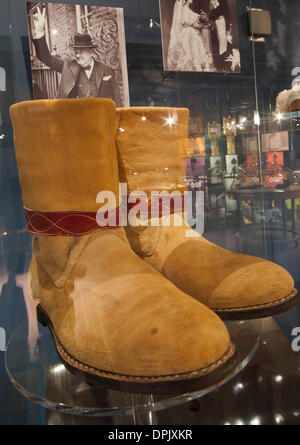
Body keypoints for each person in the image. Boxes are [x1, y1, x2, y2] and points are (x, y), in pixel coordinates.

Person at [31, 7, 121, 105]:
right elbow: (45, 57)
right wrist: (40, 33)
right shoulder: (67, 66)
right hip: (73, 117)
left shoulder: (106, 70)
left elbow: (117, 100)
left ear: (91, 52)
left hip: (99, 118)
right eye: (76, 51)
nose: (77, 55)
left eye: (81, 51)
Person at [167, 0, 214, 71]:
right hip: (188, 35)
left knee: (192, 53)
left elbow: (196, 23)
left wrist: (202, 19)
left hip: (190, 34)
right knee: (192, 53)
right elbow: (194, 24)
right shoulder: (184, 9)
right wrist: (201, 20)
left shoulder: (187, 10)